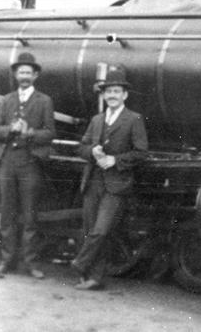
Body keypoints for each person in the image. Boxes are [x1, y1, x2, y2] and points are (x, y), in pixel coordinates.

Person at [71, 65, 148, 291]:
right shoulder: (96, 120)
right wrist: (92, 151)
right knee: (90, 228)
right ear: (103, 95)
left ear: (124, 95)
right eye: (108, 91)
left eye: (116, 91)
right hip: (93, 179)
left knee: (102, 230)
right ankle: (92, 277)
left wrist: (116, 160)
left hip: (116, 184)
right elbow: (81, 148)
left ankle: (79, 263)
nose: (112, 95)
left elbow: (142, 153)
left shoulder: (134, 119)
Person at [0, 52, 56, 280]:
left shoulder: (44, 101)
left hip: (30, 162)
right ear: (16, 75)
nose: (24, 76)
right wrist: (11, 130)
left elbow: (49, 133)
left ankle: (30, 263)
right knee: (7, 214)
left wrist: (30, 133)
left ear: (35, 75)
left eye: (28, 72)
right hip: (7, 161)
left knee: (30, 216)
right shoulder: (7, 100)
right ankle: (6, 261)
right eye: (21, 72)